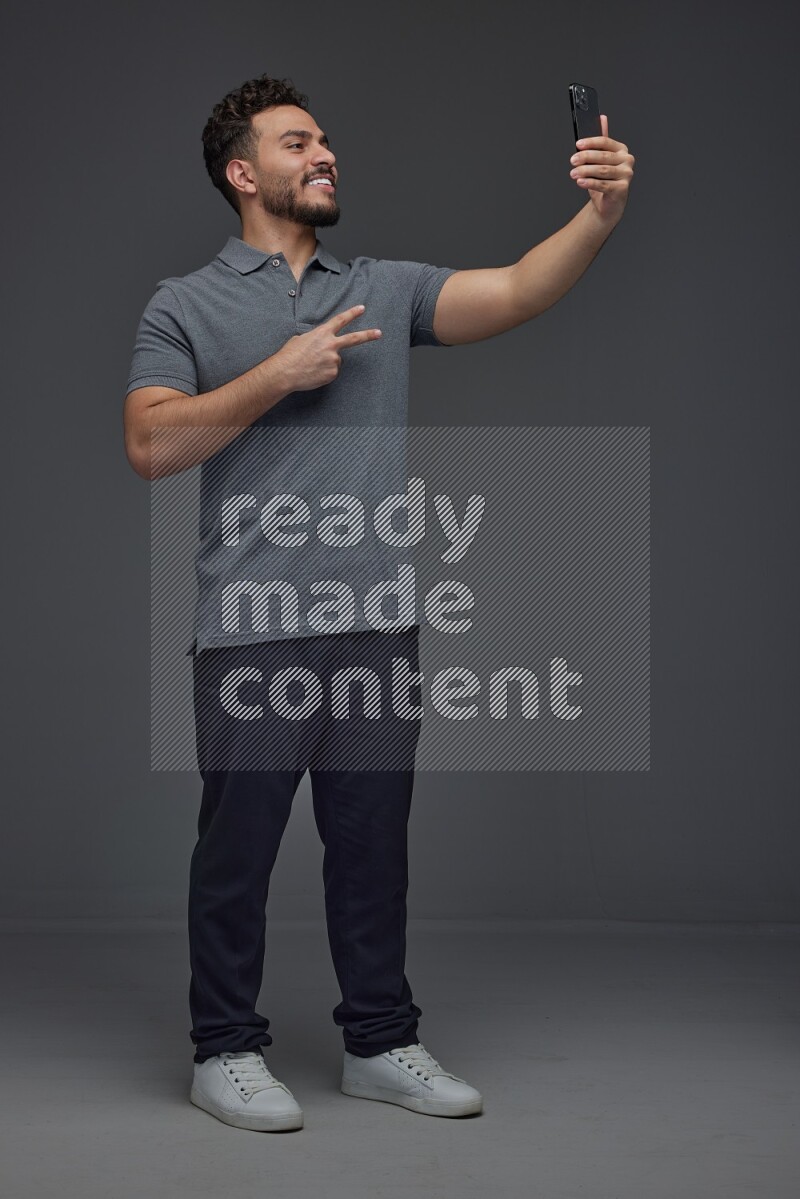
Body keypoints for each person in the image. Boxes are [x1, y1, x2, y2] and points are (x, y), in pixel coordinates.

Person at [123, 73, 634, 1133]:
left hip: (375, 627)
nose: (324, 154)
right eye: (297, 141)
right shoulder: (184, 303)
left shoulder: (383, 287)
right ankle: (223, 1048)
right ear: (242, 171)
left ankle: (379, 1041)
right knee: (237, 854)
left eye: (325, 141)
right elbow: (149, 442)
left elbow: (517, 290)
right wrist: (278, 372)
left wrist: (595, 217)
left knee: (372, 852)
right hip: (251, 630)